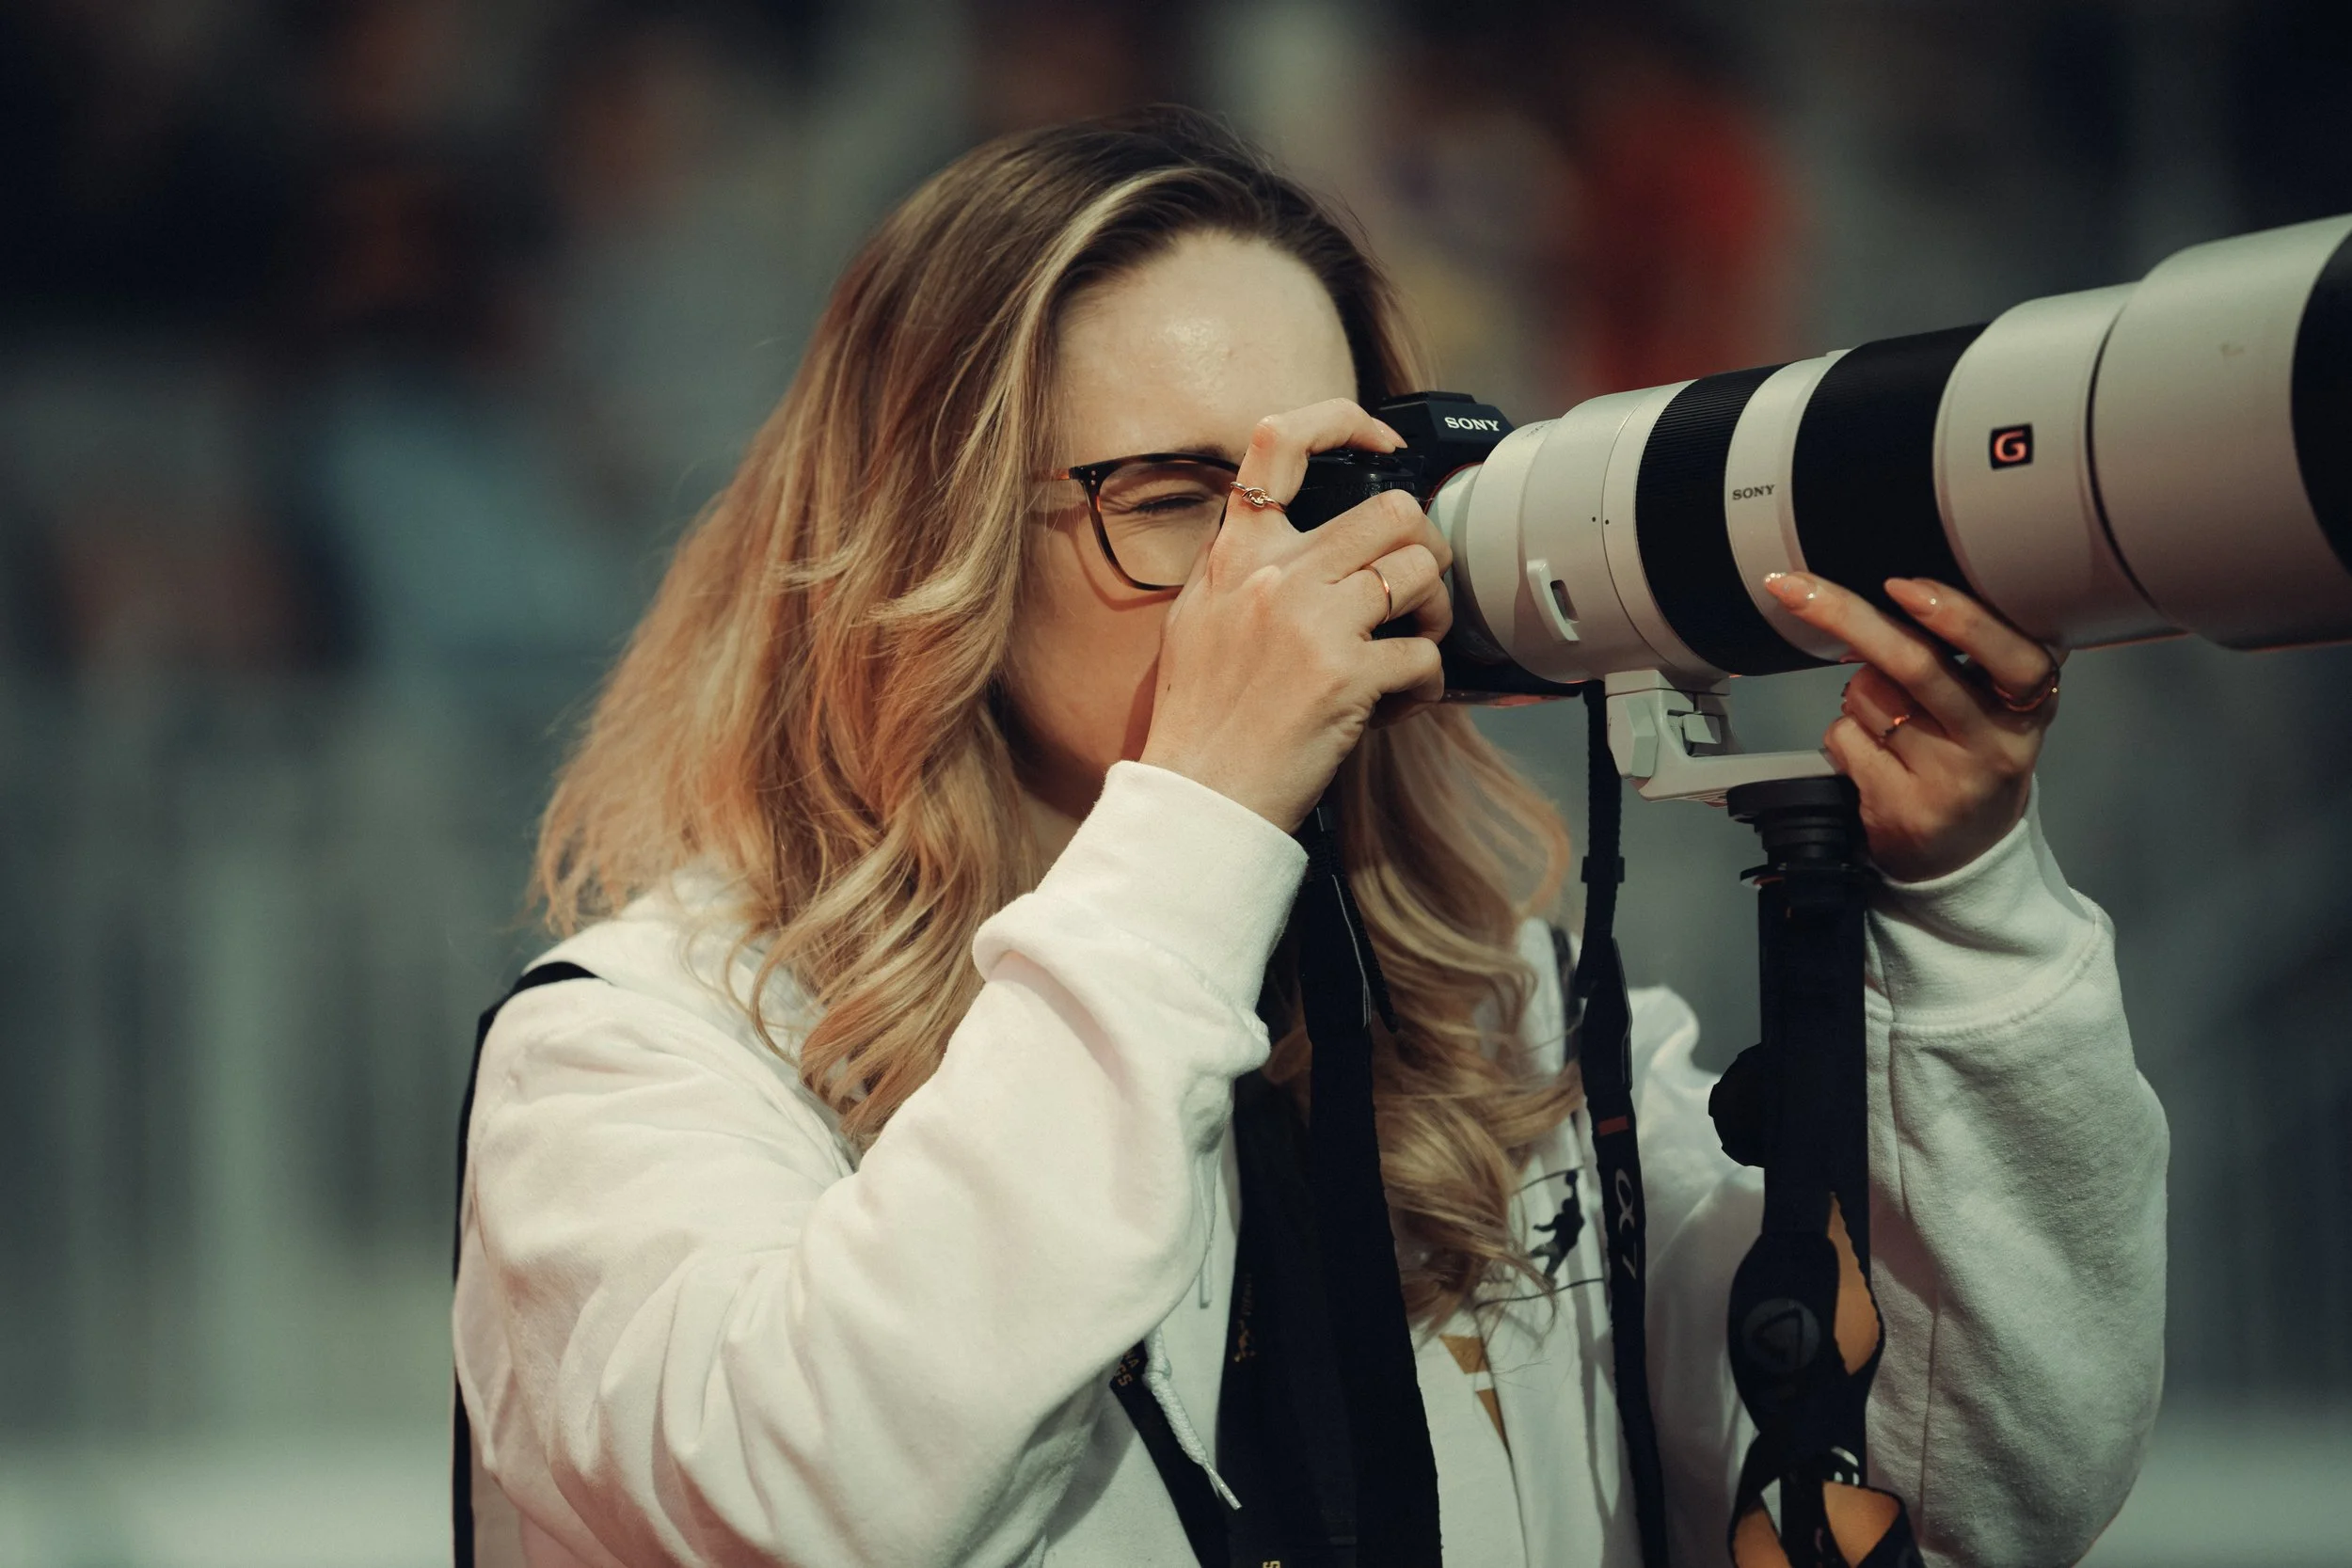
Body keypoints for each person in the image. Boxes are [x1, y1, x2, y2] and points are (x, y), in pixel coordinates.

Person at [453, 108, 2166, 1568]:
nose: (1277, 574)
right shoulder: (638, 1052)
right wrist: (1193, 826)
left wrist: (1965, 901)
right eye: (1178, 499)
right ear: (934, 540)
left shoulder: (1500, 1030)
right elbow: (805, 1503)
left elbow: (1972, 1490)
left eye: (1328, 491)